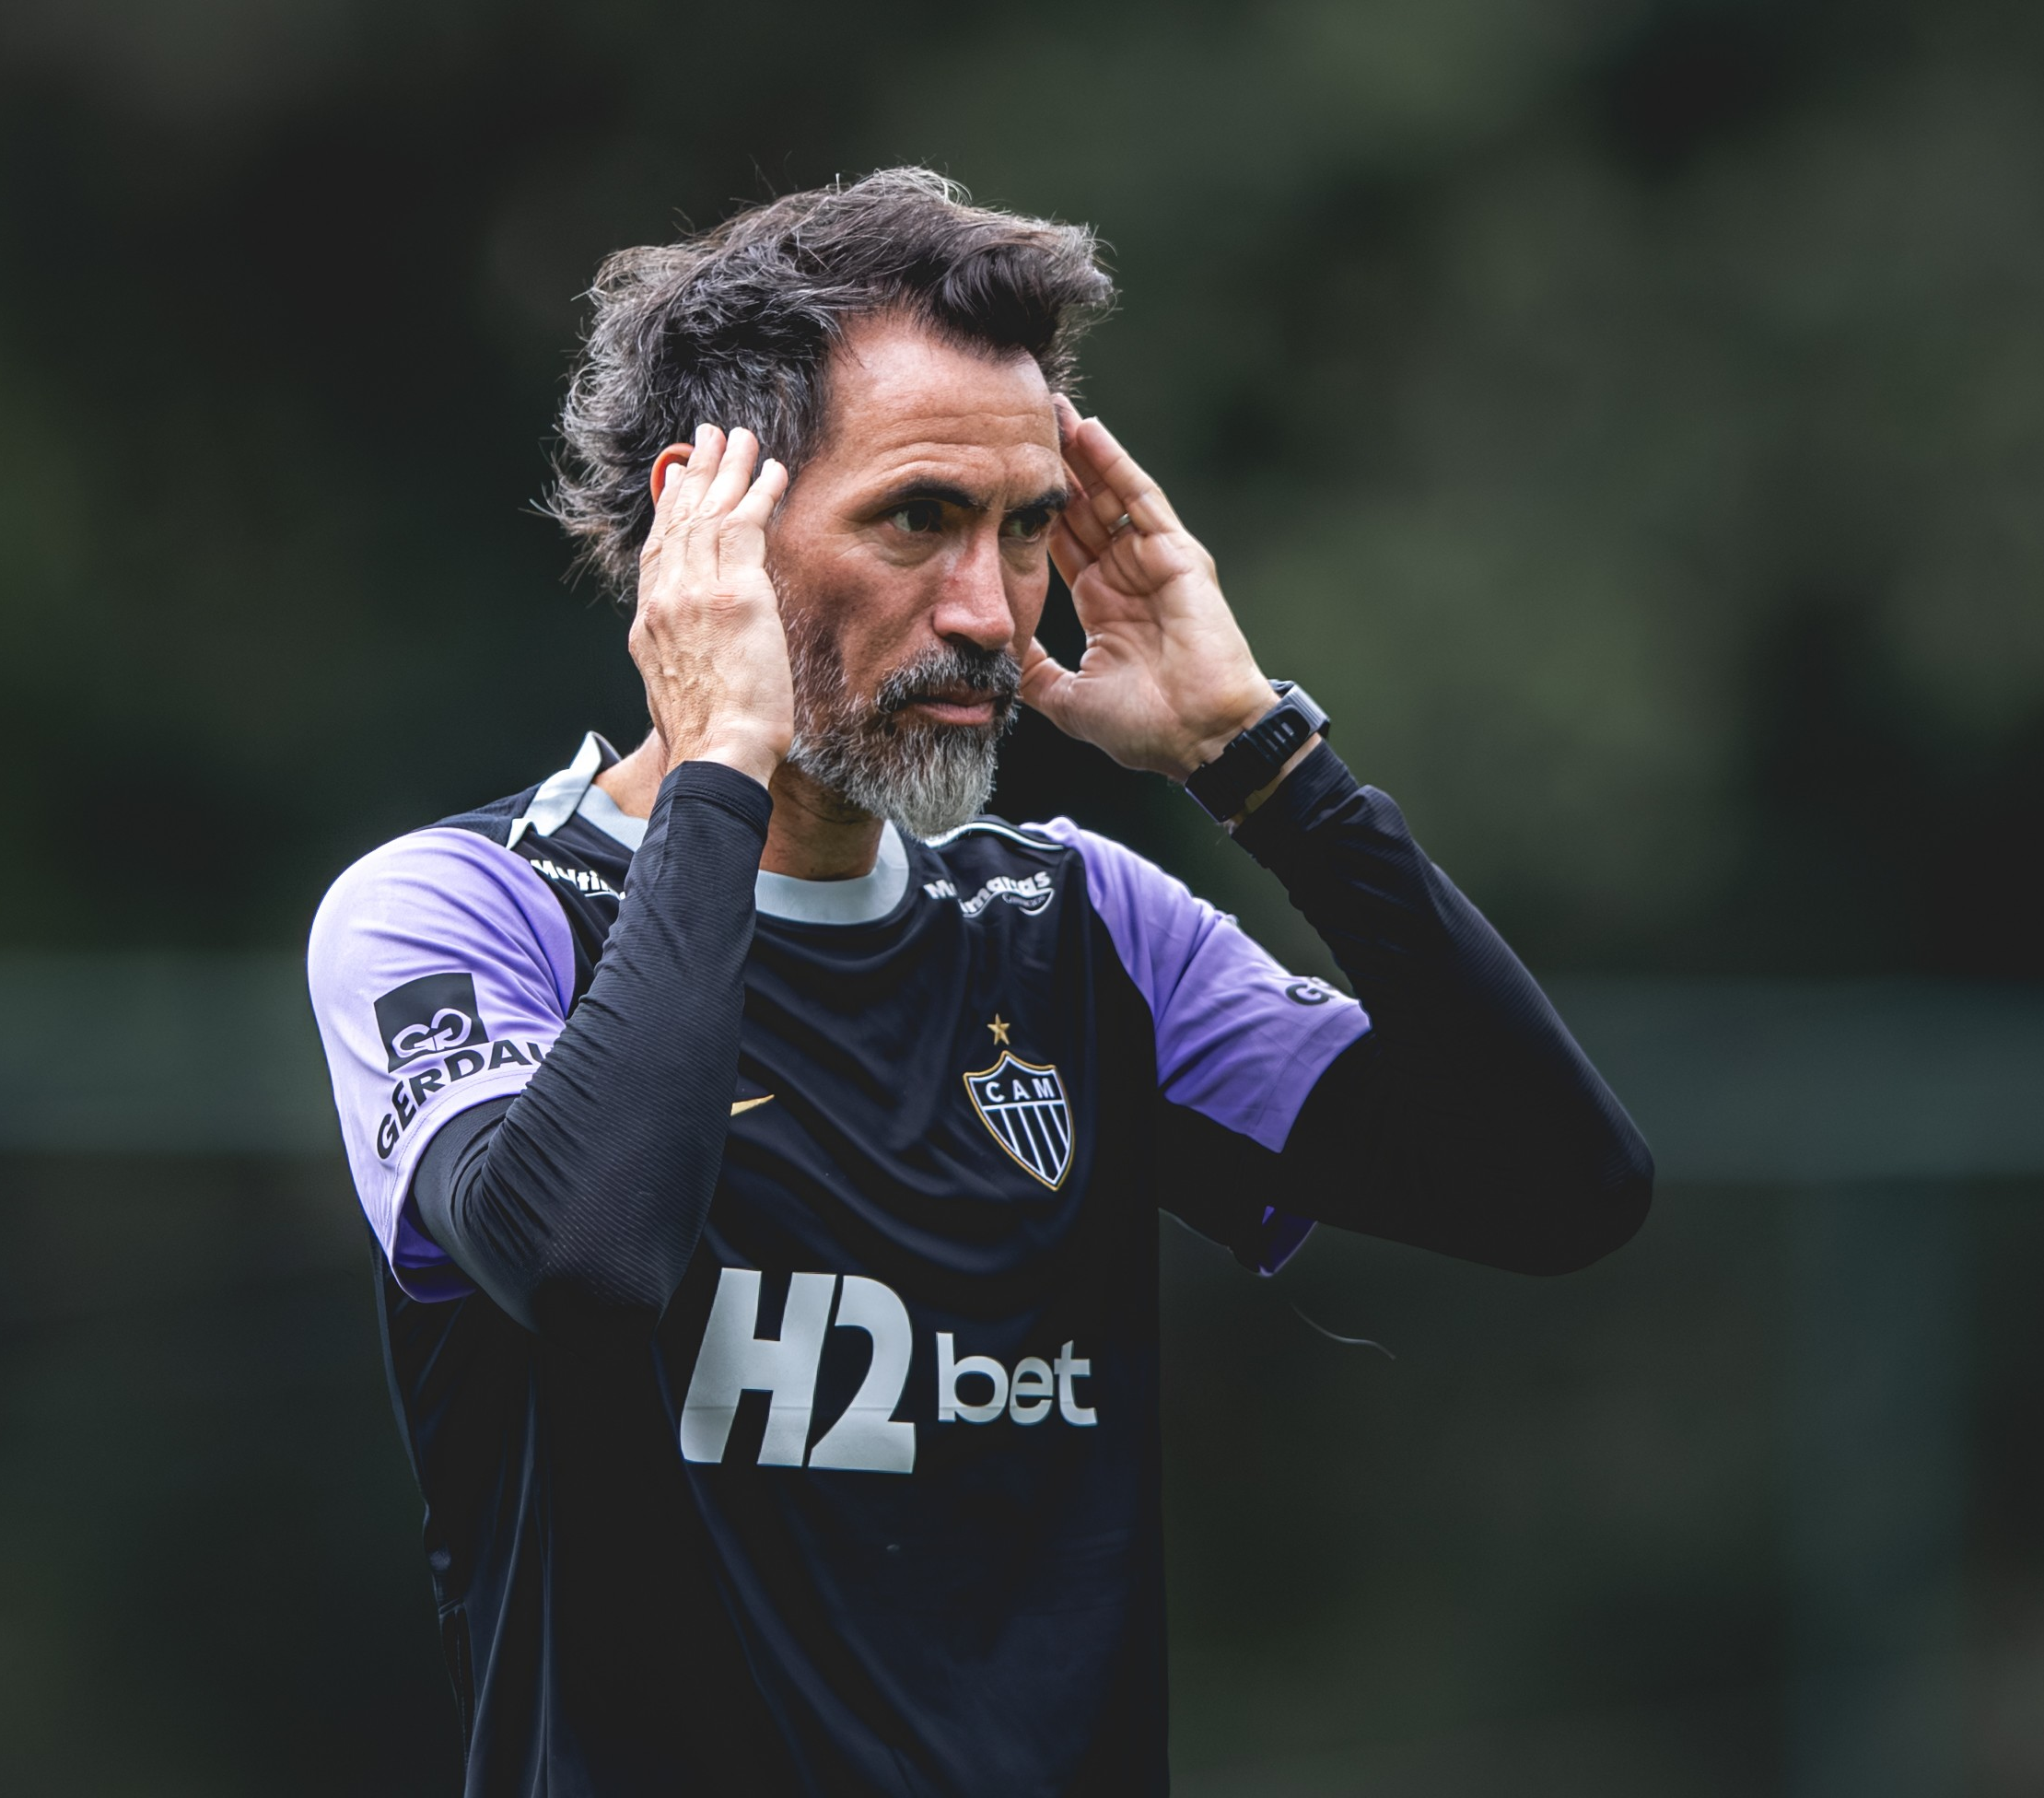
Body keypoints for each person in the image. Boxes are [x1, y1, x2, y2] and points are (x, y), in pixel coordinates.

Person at [306, 168, 1653, 1796]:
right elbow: (586, 1257)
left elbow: (1559, 1190)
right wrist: (724, 767)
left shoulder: (1081, 924)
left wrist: (1265, 767)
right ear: (703, 532)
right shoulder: (468, 910)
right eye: (916, 518)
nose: (987, 614)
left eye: (1025, 532)